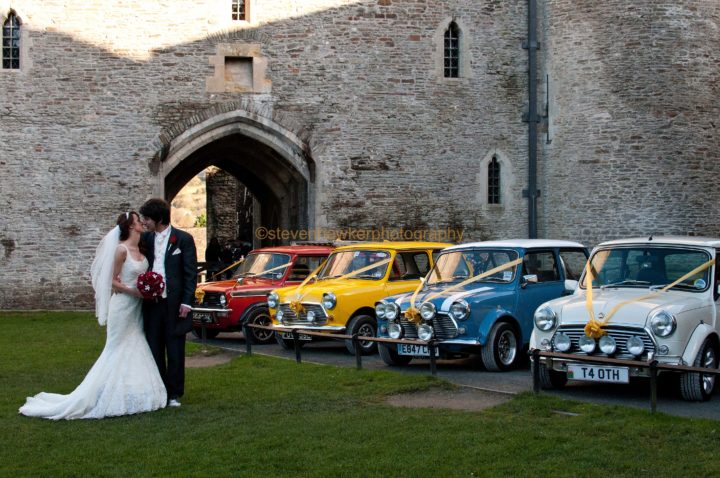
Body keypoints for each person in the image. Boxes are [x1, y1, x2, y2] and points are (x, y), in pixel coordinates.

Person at [19, 212, 167, 419]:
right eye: (137, 220)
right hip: (123, 305)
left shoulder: (141, 249)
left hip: (137, 308)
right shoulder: (121, 250)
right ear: (131, 226)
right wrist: (133, 291)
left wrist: (148, 288)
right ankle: (99, 393)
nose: (142, 222)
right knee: (116, 348)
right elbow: (111, 280)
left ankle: (132, 391)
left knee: (135, 344)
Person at [139, 198, 197, 408]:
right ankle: (158, 390)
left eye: (147, 218)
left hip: (174, 304)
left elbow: (190, 274)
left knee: (175, 349)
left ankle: (174, 393)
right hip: (151, 304)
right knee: (154, 347)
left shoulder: (183, 239)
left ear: (159, 218)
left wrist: (187, 303)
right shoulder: (145, 239)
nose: (144, 222)